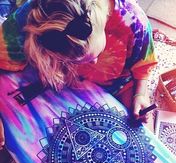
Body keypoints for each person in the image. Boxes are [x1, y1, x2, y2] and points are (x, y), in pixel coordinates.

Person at [0, 0, 157, 150]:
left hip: (116, 82)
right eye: (74, 61)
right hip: (55, 84)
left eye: (93, 55)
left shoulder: (133, 21)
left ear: (102, 22)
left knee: (138, 136)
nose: (94, 62)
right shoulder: (33, 19)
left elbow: (142, 64)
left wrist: (140, 94)